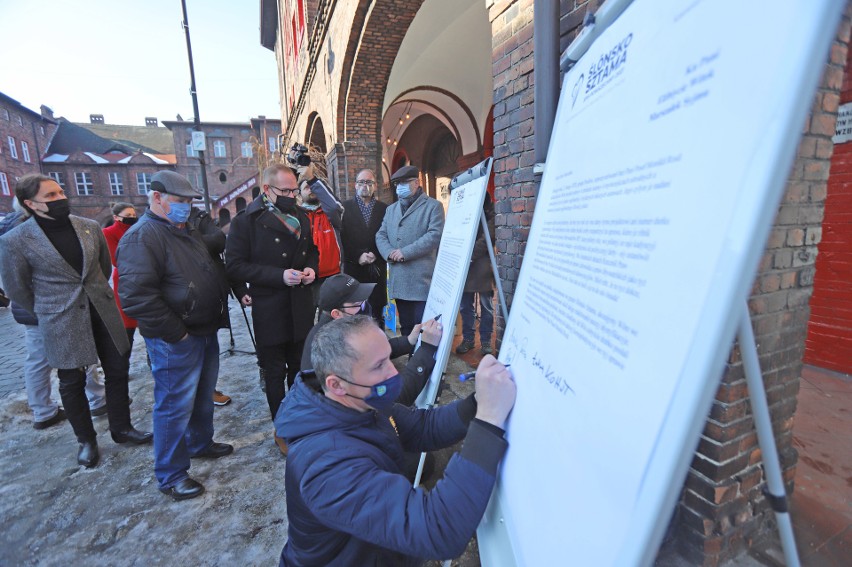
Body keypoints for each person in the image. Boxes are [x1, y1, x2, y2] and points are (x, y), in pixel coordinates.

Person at [275, 315, 516, 566]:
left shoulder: (360, 402)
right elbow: (439, 530)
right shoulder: (327, 464)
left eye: (389, 358)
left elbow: (424, 427)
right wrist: (488, 420)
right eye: (378, 366)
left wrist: (480, 402)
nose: (393, 372)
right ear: (336, 384)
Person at [0, 174, 151, 469]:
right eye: (51, 196)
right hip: (60, 317)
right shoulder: (15, 240)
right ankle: (87, 440)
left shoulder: (89, 227)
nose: (60, 199)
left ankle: (122, 428)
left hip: (103, 310)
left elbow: (103, 267)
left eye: (60, 192)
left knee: (117, 369)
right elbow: (16, 288)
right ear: (30, 204)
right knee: (71, 380)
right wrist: (47, 308)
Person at [118, 171, 232, 501]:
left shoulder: (184, 230)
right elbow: (138, 296)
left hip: (203, 328)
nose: (187, 208)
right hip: (176, 337)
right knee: (173, 405)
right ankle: (170, 474)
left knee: (202, 394)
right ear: (157, 198)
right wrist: (176, 333)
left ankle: (200, 443)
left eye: (189, 202)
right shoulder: (143, 237)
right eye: (180, 202)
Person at [225, 163, 318, 455]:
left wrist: (310, 269)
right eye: (285, 190)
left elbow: (312, 251)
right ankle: (283, 428)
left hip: (300, 304)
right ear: (267, 189)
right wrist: (278, 276)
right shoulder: (246, 222)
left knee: (300, 370)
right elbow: (235, 265)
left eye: (294, 189)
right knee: (275, 372)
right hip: (271, 307)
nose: (292, 195)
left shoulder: (301, 217)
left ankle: (301, 420)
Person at [0, 205, 107, 428]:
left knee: (40, 359)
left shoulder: (13, 226)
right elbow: (16, 284)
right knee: (71, 354)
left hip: (44, 308)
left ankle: (43, 409)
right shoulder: (22, 233)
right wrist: (40, 308)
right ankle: (92, 399)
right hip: (49, 307)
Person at [300, 273, 440, 407]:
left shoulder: (335, 328)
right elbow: (393, 399)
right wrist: (427, 350)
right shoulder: (338, 345)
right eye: (357, 304)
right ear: (336, 313)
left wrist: (409, 341)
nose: (364, 307)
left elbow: (372, 352)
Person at [186, 205, 248, 407]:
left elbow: (219, 240)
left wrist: (189, 241)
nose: (185, 203)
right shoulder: (153, 229)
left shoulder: (198, 216)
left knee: (209, 350)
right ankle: (195, 395)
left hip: (209, 297)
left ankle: (208, 390)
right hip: (180, 306)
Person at [376, 165, 444, 337]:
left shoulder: (433, 206)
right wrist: (389, 252)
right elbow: (381, 235)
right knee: (406, 327)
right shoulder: (391, 209)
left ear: (416, 182)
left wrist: (405, 252)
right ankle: (410, 359)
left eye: (404, 182)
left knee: (424, 326)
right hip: (399, 280)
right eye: (397, 183)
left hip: (421, 280)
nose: (400, 187)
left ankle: (424, 361)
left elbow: (434, 235)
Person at [340, 168, 388, 327]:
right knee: (354, 315)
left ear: (375, 185)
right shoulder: (344, 208)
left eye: (369, 182)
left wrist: (376, 253)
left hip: (377, 269)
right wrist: (357, 256)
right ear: (355, 185)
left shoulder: (385, 209)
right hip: (353, 270)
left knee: (376, 314)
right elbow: (341, 239)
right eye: (361, 182)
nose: (365, 185)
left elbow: (388, 236)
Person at [294, 158, 343, 312]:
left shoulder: (330, 214)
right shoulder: (296, 216)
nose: (311, 189)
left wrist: (312, 180)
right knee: (306, 323)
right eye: (306, 187)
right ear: (300, 195)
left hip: (331, 277)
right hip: (305, 279)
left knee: (330, 322)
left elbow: (335, 206)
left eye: (313, 187)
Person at [455, 193, 496, 355]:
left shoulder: (490, 211)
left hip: (483, 265)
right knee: (465, 306)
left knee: (486, 306)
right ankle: (468, 339)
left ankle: (485, 340)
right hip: (466, 266)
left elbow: (488, 237)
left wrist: (470, 254)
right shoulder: (463, 211)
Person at [102, 202, 139, 361]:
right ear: (116, 217)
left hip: (145, 277)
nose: (132, 218)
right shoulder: (108, 232)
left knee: (149, 322)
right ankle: (123, 362)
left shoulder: (139, 229)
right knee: (127, 325)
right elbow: (116, 259)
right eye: (128, 216)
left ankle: (152, 358)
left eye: (133, 215)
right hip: (125, 279)